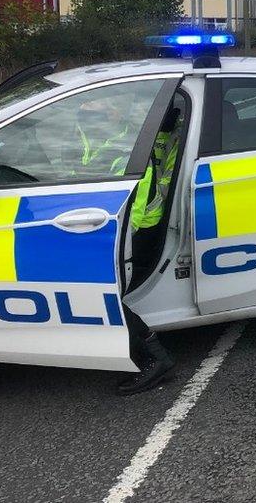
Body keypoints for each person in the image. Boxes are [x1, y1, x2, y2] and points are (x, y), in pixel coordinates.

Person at [75, 101, 178, 395]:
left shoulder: (127, 148)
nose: (88, 115)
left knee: (97, 290)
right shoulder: (99, 138)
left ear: (117, 113)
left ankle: (155, 358)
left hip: (132, 230)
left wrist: (113, 241)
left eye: (98, 110)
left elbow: (136, 204)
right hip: (111, 223)